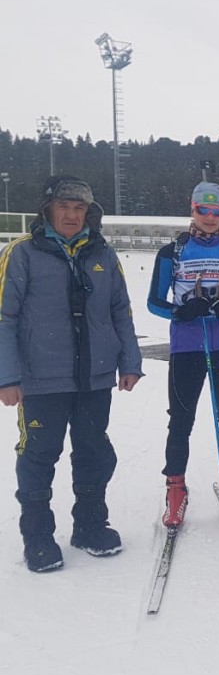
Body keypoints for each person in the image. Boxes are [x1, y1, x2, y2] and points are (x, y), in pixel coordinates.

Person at [0, 176, 143, 572]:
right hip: (41, 379)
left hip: (94, 378)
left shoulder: (104, 255)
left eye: (79, 209)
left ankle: (91, 526)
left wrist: (129, 361)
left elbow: (121, 312)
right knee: (39, 455)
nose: (71, 215)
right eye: (64, 207)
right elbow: (4, 318)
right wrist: (7, 376)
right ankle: (39, 537)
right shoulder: (22, 253)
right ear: (47, 209)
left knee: (94, 451)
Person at [147, 182, 219, 526]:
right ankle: (176, 488)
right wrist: (180, 311)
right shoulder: (173, 252)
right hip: (187, 346)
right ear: (193, 209)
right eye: (204, 210)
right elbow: (154, 301)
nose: (210, 218)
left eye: (218, 212)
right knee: (181, 418)